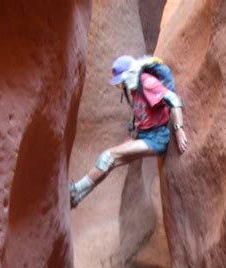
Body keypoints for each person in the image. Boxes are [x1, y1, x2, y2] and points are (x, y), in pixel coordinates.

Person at [70, 54, 188, 208]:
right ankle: (76, 197)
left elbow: (173, 99)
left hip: (157, 138)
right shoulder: (134, 87)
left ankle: (75, 191)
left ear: (131, 74)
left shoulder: (147, 82)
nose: (122, 85)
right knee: (111, 162)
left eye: (122, 81)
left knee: (108, 156)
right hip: (144, 136)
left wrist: (179, 129)